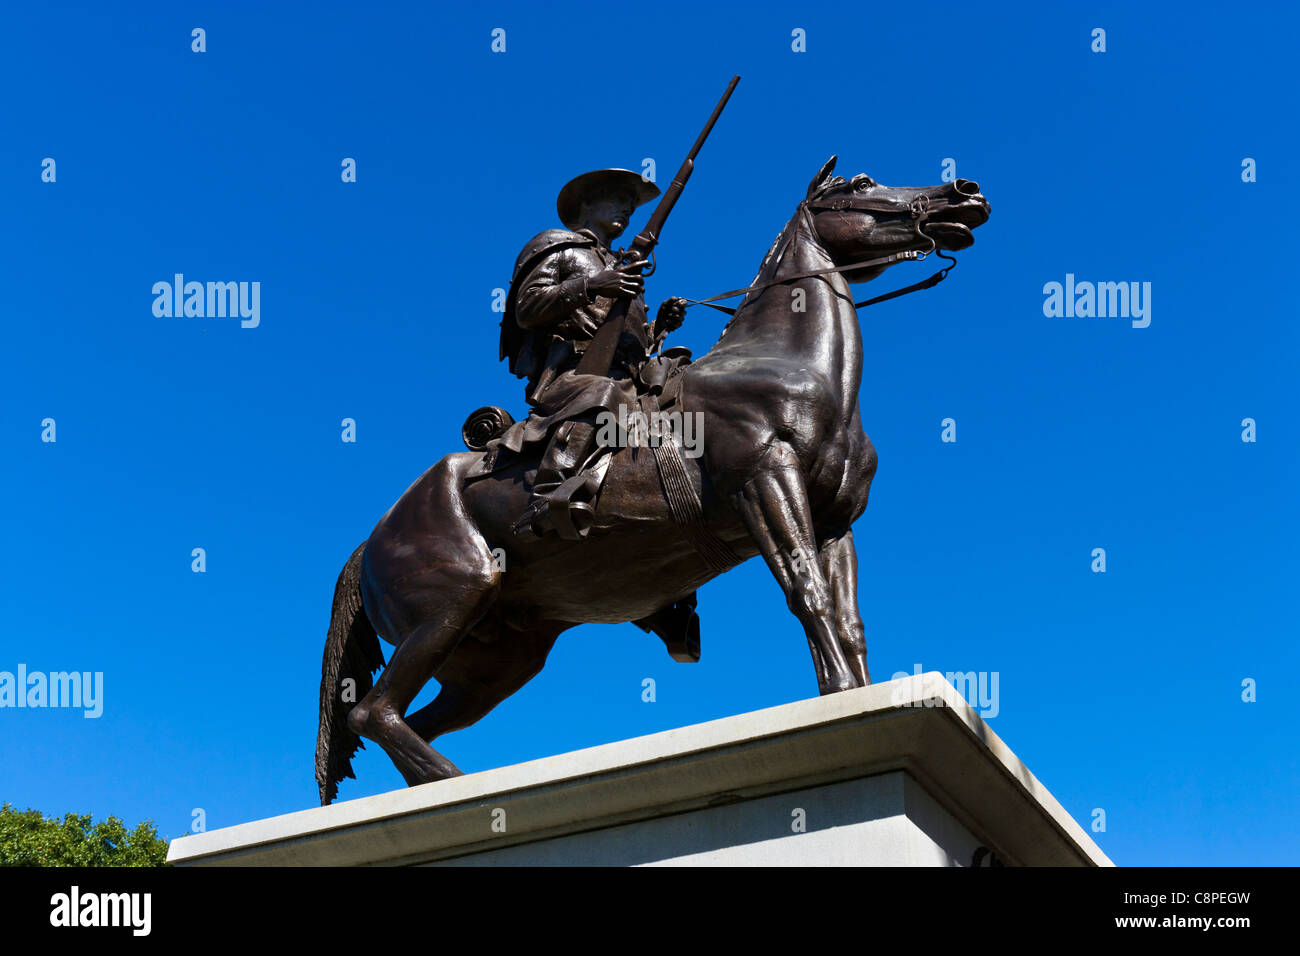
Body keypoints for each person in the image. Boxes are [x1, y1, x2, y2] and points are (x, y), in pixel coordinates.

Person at [499, 168, 686, 540]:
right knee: (600, 394)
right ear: (586, 203)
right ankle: (548, 495)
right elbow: (526, 308)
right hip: (572, 376)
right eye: (618, 200)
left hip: (628, 378)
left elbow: (625, 341)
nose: (627, 210)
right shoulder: (558, 246)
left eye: (632, 206)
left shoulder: (621, 265)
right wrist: (591, 284)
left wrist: (659, 328)